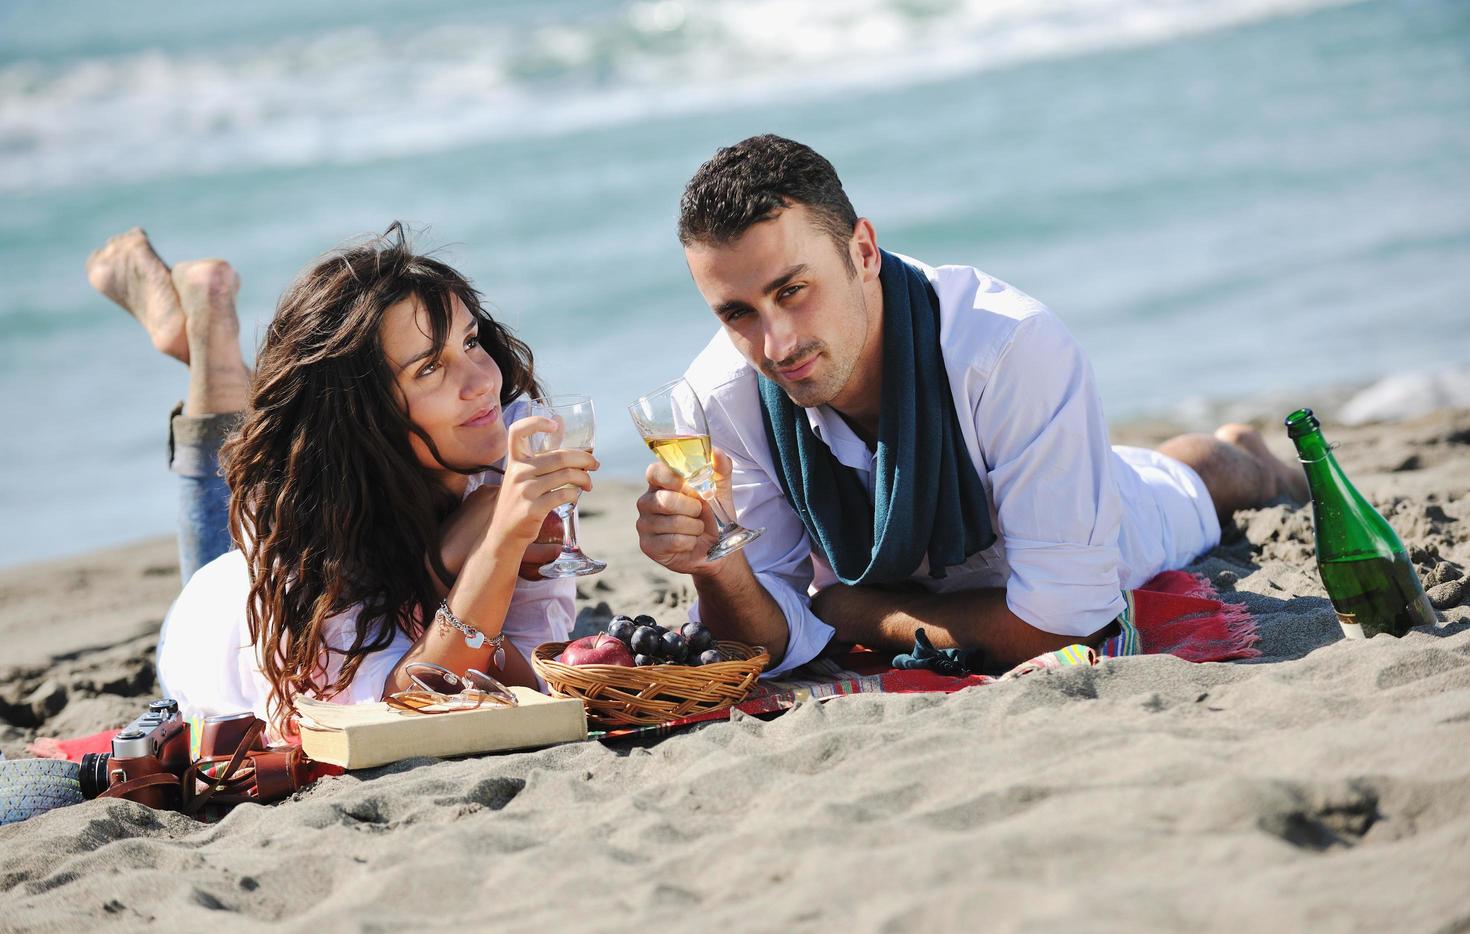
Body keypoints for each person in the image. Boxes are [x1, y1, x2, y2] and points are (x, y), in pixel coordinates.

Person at [635, 135, 1307, 676]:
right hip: (958, 570)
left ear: (863, 251)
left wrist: (853, 610)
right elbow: (763, 641)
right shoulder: (723, 395)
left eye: (793, 290)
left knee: (1203, 477)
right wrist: (717, 567)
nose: (774, 344)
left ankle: (1255, 456)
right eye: (737, 313)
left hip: (1112, 525)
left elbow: (1063, 625)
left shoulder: (1008, 349)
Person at [85, 225, 596, 741]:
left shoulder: (507, 435)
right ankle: (208, 335)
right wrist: (492, 547)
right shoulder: (300, 546)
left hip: (339, 495)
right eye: (430, 369)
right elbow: (404, 709)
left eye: (469, 341)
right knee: (256, 468)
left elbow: (534, 673)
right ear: (366, 412)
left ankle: (202, 337)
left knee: (276, 436)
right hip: (214, 630)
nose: (485, 381)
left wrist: (446, 565)